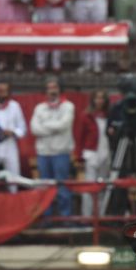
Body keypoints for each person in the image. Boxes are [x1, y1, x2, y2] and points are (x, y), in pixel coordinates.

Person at [30, 77, 75, 217]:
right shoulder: (39, 108)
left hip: (61, 152)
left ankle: (65, 219)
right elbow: (34, 129)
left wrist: (45, 125)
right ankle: (47, 218)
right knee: (44, 187)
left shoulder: (68, 106)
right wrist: (53, 127)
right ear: (46, 91)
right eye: (49, 88)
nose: (52, 91)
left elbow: (64, 125)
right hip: (43, 153)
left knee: (62, 186)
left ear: (60, 89)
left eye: (54, 87)